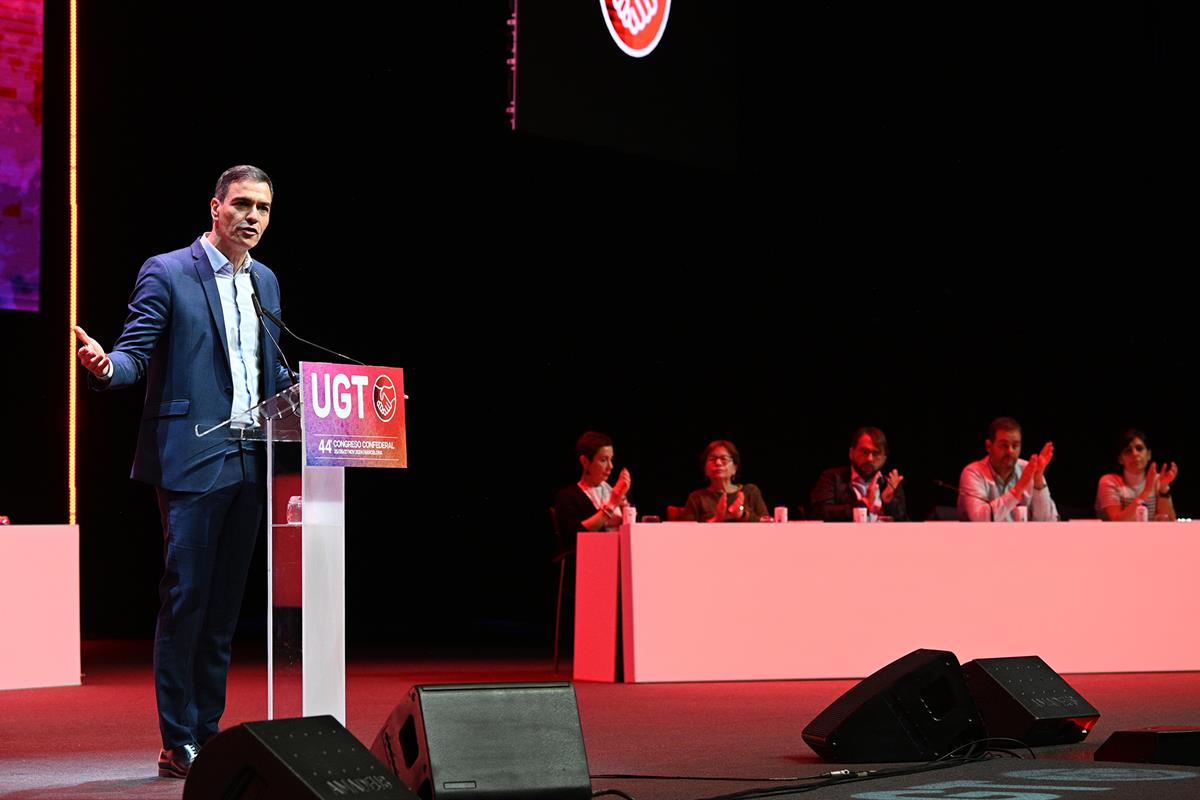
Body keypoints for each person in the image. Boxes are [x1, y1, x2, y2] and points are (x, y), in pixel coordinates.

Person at [74, 165, 291, 778]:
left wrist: (335, 402)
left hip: (253, 459)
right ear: (216, 207)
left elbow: (271, 370)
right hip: (193, 460)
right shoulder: (168, 271)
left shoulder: (266, 281)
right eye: (242, 205)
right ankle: (178, 739)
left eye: (264, 209)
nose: (253, 217)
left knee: (224, 610)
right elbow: (134, 352)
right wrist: (105, 366)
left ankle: (210, 731)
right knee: (187, 598)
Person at [958, 416, 1058, 522]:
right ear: (988, 446)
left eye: (1015, 446)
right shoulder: (973, 473)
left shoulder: (1029, 469)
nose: (1010, 451)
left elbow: (1049, 521)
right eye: (1004, 445)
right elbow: (980, 519)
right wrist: (1019, 488)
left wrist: (1038, 480)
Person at [810, 427, 908, 521]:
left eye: (876, 453)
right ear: (851, 453)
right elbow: (819, 513)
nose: (869, 459)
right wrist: (863, 504)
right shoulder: (832, 478)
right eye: (864, 451)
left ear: (884, 458)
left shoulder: (890, 485)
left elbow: (905, 524)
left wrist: (888, 502)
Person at [553, 431, 632, 539]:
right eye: (603, 460)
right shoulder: (568, 497)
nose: (611, 466)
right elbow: (574, 536)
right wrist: (612, 504)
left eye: (611, 459)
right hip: (592, 554)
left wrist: (626, 507)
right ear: (585, 461)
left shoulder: (615, 491)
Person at [1096, 429, 1178, 521]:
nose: (1135, 454)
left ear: (1149, 454)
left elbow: (1170, 521)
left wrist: (1163, 488)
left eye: (1139, 448)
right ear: (1120, 459)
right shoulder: (1109, 481)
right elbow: (1117, 522)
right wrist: (1146, 492)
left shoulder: (1157, 480)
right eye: (1128, 451)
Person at [681, 440, 768, 522]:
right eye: (712, 459)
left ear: (734, 468)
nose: (718, 463)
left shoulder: (750, 491)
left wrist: (742, 513)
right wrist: (716, 519)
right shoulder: (696, 498)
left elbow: (768, 524)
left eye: (724, 458)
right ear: (705, 469)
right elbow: (685, 533)